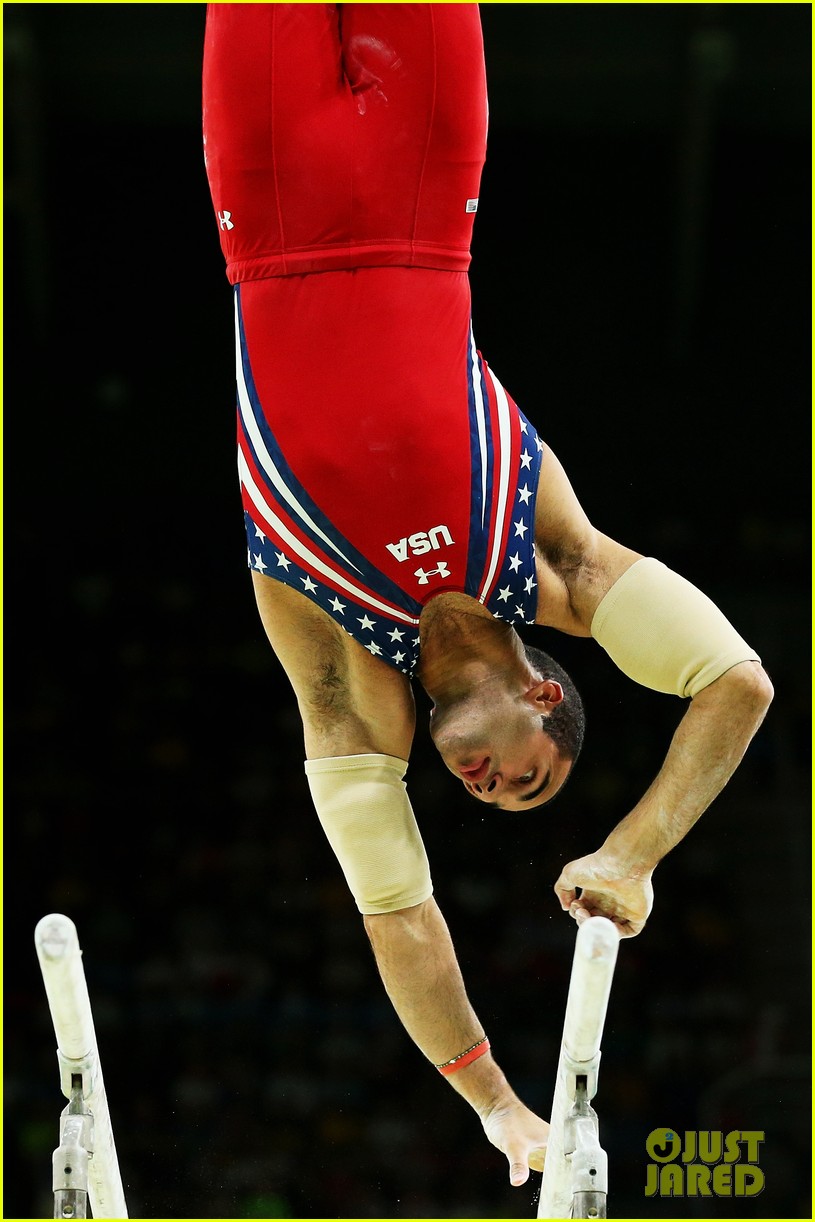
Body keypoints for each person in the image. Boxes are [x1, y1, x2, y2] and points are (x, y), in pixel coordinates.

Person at [202, 3, 773, 1187]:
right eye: (528, 778)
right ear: (541, 691)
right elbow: (734, 682)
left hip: (264, 209)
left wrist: (497, 1106)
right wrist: (632, 855)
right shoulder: (552, 563)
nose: (487, 788)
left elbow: (394, 908)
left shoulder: (340, 661)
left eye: (494, 797)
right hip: (424, 191)